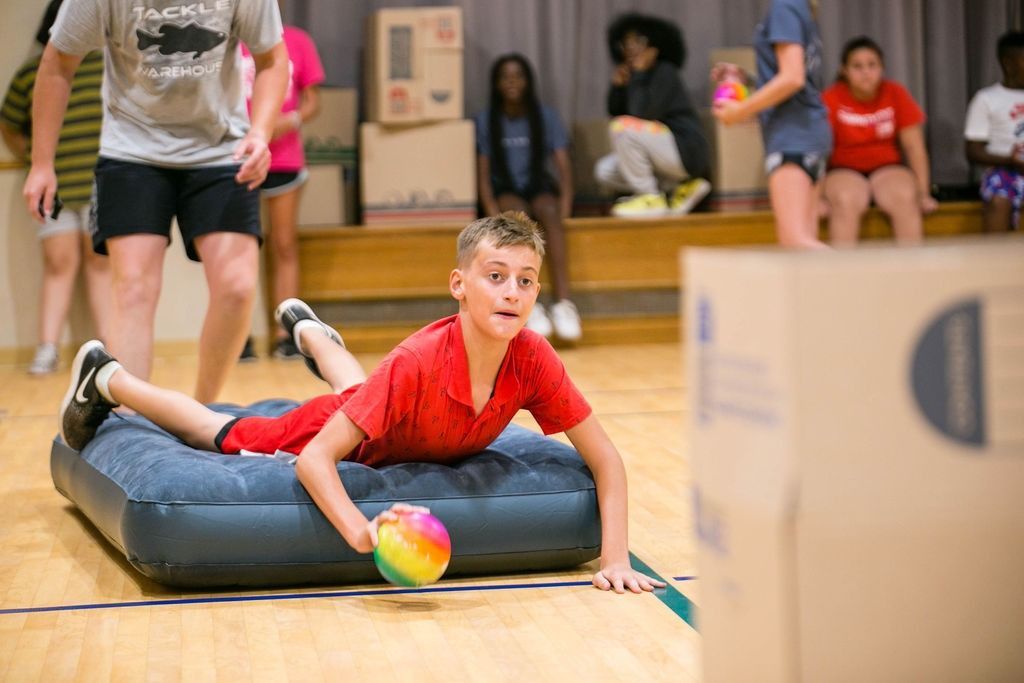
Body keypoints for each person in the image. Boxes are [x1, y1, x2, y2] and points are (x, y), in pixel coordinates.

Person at [59, 212, 664, 594]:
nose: (512, 293)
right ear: (459, 284)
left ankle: (314, 335)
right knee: (219, 432)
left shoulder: (533, 356)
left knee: (361, 389)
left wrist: (614, 559)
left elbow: (606, 460)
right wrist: (357, 528)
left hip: (392, 414)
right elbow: (314, 461)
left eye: (526, 281)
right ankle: (109, 378)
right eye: (495, 276)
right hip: (361, 435)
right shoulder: (416, 361)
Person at [22, 0, 289, 403]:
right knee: (133, 289)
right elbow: (58, 63)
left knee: (236, 287)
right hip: (132, 151)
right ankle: (135, 419)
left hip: (221, 151)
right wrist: (42, 163)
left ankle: (202, 406)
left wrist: (261, 132)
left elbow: (273, 58)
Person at [0, 0, 110, 375]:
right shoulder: (34, 73)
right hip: (53, 187)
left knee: (100, 265)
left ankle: (108, 354)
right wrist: (34, 157)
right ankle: (47, 350)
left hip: (102, 183)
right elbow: (9, 121)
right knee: (59, 264)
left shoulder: (107, 65)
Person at [475, 54, 580, 342]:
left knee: (548, 210)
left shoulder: (544, 116)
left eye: (518, 76)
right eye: (505, 77)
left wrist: (566, 203)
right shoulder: (487, 120)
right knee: (518, 216)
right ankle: (531, 307)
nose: (512, 82)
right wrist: (492, 212)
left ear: (528, 81)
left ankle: (564, 304)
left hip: (537, 185)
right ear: (496, 84)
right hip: (506, 188)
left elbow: (563, 165)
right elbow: (482, 174)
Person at [713, 0, 831, 249]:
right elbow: (798, 77)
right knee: (804, 247)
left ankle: (862, 283)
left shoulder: (784, 7)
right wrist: (748, 78)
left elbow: (792, 78)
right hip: (810, 133)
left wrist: (740, 111)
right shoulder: (799, 6)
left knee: (796, 243)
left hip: (792, 137)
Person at [238, 24, 326, 361]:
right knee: (240, 249)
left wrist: (289, 121)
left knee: (284, 244)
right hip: (239, 158)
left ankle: (286, 335)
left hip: (285, 158)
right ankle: (240, 337)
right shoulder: (232, 41)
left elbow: (312, 101)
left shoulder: (298, 40)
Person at [821, 36, 937, 245]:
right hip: (843, 169)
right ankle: (839, 274)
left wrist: (923, 193)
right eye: (857, 66)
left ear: (882, 68)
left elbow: (914, 147)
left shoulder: (896, 93)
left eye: (872, 65)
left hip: (887, 167)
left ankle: (914, 271)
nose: (866, 72)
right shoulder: (831, 98)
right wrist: (816, 198)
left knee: (903, 197)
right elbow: (818, 151)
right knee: (847, 200)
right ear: (844, 71)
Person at [596, 13, 711, 218]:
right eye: (626, 43)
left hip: (685, 151)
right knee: (604, 171)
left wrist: (639, 75)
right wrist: (618, 88)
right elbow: (616, 112)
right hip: (661, 155)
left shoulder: (665, 72)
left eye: (638, 41)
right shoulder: (634, 78)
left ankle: (649, 196)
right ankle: (676, 190)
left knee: (621, 127)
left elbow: (643, 115)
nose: (630, 48)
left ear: (655, 46)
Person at [965, 30, 1024, 232]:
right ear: (1008, 63)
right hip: (1004, 170)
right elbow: (972, 150)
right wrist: (1010, 160)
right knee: (999, 199)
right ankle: (994, 260)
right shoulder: (987, 99)